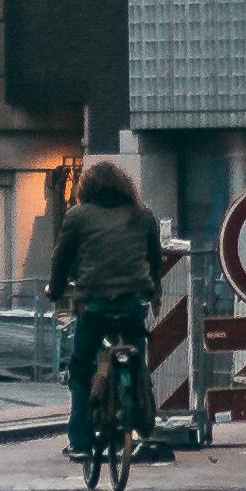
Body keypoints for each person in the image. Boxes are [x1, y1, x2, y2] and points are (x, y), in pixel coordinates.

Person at [46, 160, 166, 464]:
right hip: (133, 299)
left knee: (81, 368)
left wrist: (56, 290)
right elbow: (155, 259)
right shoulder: (143, 216)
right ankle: (140, 415)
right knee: (137, 359)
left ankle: (82, 441)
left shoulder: (77, 216)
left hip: (95, 301)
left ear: (88, 188)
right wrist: (154, 292)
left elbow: (62, 258)